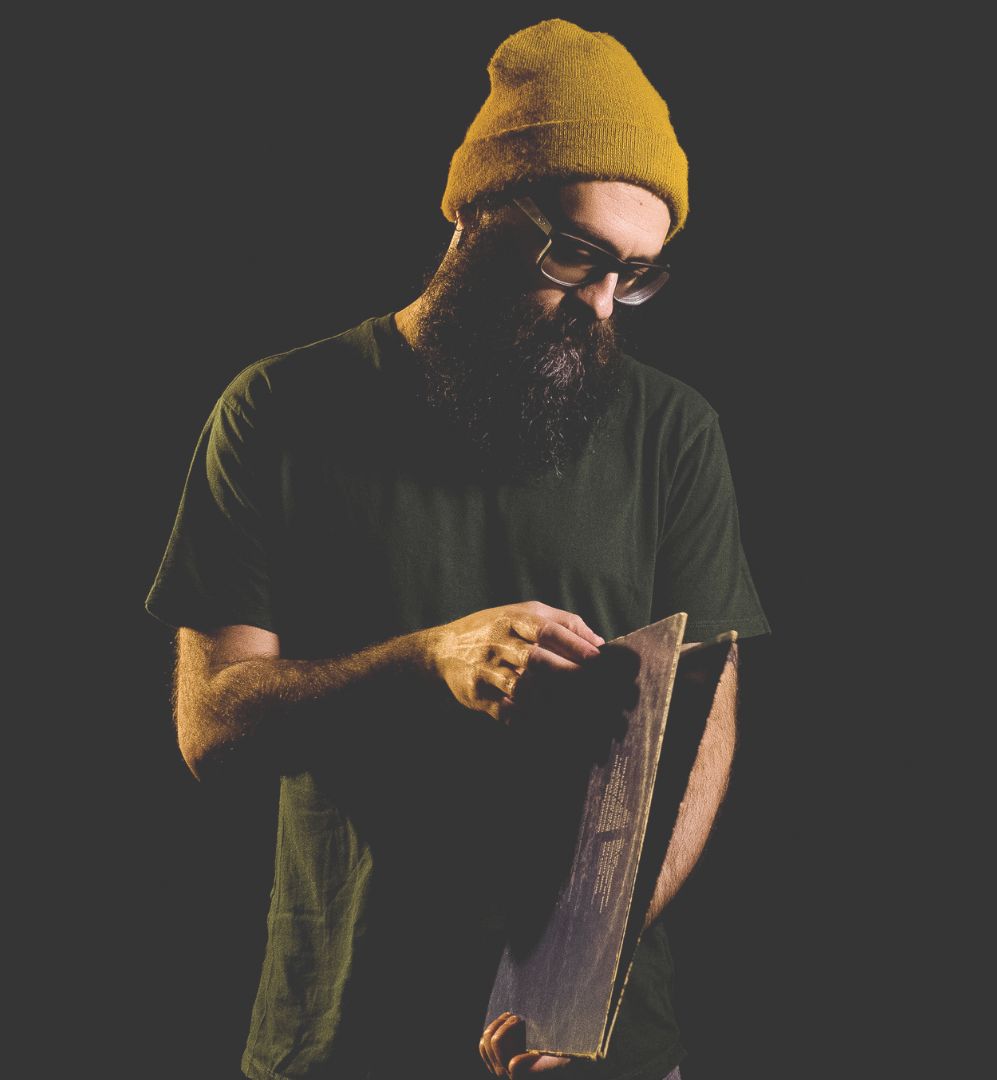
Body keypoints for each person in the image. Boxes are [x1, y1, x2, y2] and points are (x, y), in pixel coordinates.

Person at [145, 17, 769, 1080]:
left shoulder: (675, 431)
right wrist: (422, 662)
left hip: (594, 1046)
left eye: (635, 274)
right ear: (479, 211)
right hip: (341, 1036)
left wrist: (578, 981)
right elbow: (211, 724)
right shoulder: (280, 410)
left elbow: (699, 739)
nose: (601, 305)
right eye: (573, 254)